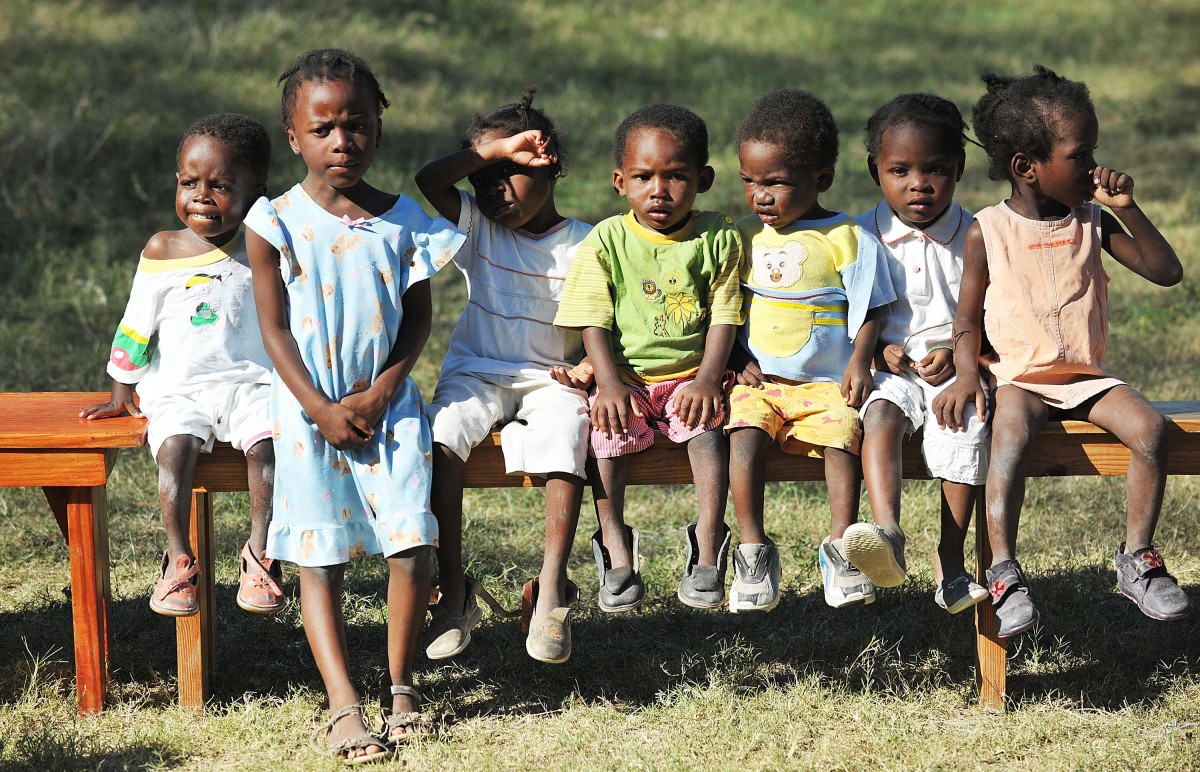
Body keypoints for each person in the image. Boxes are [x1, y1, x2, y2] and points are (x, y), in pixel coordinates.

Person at [244, 49, 465, 763]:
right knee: (319, 560)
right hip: (308, 414)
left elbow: (417, 320)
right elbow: (274, 330)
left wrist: (381, 389)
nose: (344, 141)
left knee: (412, 546)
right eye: (325, 128)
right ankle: (344, 704)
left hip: (390, 405)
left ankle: (401, 685)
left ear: (379, 127)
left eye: (359, 124)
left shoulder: (406, 221)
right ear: (294, 136)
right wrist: (319, 407)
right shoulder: (271, 221)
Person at [934, 65, 1191, 637]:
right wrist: (966, 375)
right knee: (1010, 436)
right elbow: (967, 319)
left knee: (1150, 428)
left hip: (1084, 377)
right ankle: (1004, 573)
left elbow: (1167, 271)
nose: (1094, 165)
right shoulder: (988, 231)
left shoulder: (1094, 222)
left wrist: (1126, 206)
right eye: (1081, 154)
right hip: (1022, 380)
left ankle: (1138, 559)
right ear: (1027, 167)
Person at [415, 88, 592, 665]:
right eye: (485, 178)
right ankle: (453, 589)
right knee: (440, 435)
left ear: (553, 168)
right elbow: (430, 180)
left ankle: (551, 590)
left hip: (552, 377)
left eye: (510, 174)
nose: (495, 191)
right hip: (478, 371)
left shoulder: (587, 243)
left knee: (570, 437)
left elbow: (605, 319)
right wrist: (496, 150)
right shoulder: (478, 228)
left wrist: (594, 363)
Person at [82, 113, 283, 619]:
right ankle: (178, 558)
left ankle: (260, 554)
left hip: (251, 385)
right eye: (189, 182)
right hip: (179, 389)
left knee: (268, 451)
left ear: (257, 192)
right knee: (174, 452)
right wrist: (121, 390)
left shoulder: (267, 246)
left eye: (220, 185)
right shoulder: (163, 249)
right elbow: (136, 323)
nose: (201, 195)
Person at [554, 103, 743, 612]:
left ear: (703, 179)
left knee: (707, 434)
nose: (659, 190)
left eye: (676, 176)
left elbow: (725, 317)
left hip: (691, 378)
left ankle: (708, 544)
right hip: (627, 380)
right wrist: (610, 386)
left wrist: (706, 380)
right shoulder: (607, 241)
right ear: (620, 181)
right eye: (643, 176)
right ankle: (615, 548)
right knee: (605, 436)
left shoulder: (718, 236)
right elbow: (595, 320)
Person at [727, 89, 895, 612]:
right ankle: (753, 549)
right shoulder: (745, 242)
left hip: (828, 385)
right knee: (743, 437)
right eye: (750, 182)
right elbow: (731, 311)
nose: (760, 196)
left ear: (820, 179)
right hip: (765, 384)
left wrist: (858, 363)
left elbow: (872, 309)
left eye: (774, 182)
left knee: (842, 439)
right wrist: (739, 361)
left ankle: (840, 546)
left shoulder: (848, 237)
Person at [847, 93, 990, 615]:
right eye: (899, 170)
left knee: (969, 422)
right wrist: (880, 350)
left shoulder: (978, 233)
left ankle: (951, 560)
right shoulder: (861, 236)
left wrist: (959, 354)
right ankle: (887, 533)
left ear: (960, 169)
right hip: (894, 373)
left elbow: (992, 314)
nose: (919, 184)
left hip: (962, 370)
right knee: (879, 414)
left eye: (935, 170)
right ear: (875, 171)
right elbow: (850, 315)